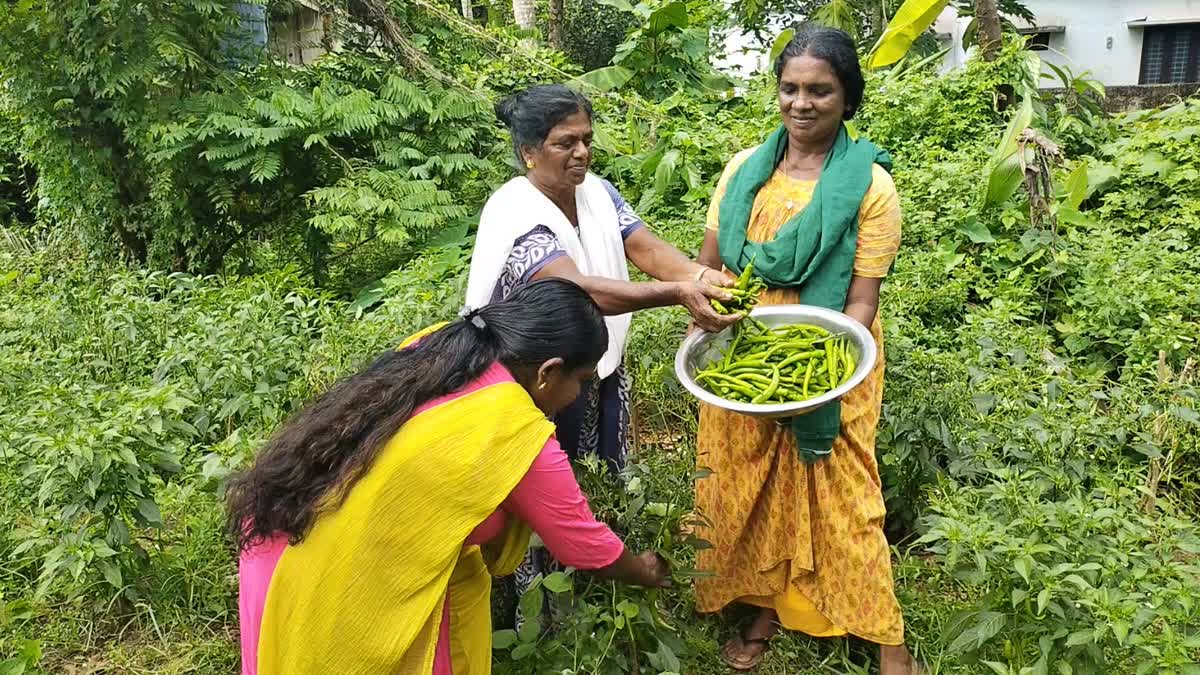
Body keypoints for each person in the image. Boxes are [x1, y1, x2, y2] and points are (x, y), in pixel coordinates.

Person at [227, 278, 670, 675]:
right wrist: (647, 571)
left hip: (289, 535)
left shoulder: (446, 344)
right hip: (333, 578)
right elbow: (586, 545)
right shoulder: (516, 430)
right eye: (582, 380)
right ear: (547, 372)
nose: (578, 396)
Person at [465, 83, 739, 618]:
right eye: (566, 143)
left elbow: (646, 247)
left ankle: (594, 578)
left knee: (599, 473)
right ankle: (536, 612)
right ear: (529, 151)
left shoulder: (598, 193)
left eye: (586, 140)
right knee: (541, 491)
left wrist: (701, 275)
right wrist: (678, 293)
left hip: (593, 370)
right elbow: (580, 290)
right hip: (533, 384)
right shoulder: (515, 212)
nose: (582, 153)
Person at [692, 26, 918, 673]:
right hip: (745, 359)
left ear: (847, 98)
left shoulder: (870, 186)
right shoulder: (744, 171)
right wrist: (700, 328)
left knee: (844, 498)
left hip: (830, 362)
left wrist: (822, 380)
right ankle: (768, 605)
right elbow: (710, 266)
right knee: (751, 486)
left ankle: (888, 641)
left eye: (820, 90)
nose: (802, 102)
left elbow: (863, 300)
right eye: (790, 88)